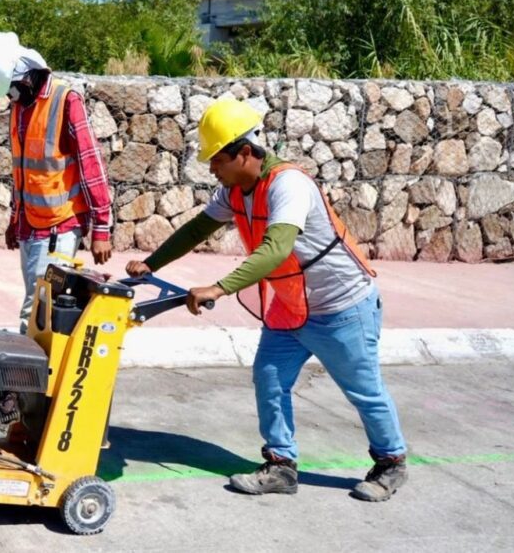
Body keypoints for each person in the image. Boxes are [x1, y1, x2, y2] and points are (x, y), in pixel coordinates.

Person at [125, 98, 408, 502]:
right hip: (292, 305)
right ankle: (281, 466)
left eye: (217, 159)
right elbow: (196, 230)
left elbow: (275, 250)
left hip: (341, 305)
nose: (211, 169)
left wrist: (218, 288)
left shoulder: (289, 185)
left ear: (244, 152)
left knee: (363, 390)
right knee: (270, 379)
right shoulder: (236, 190)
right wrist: (151, 264)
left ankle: (391, 464)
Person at [0, 32, 113, 333]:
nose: (9, 97)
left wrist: (101, 228)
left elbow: (91, 163)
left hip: (58, 225)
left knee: (36, 311)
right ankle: (39, 375)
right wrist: (15, 219)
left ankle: (28, 378)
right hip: (30, 224)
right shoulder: (20, 106)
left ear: (25, 75)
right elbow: (24, 170)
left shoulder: (66, 100)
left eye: (10, 89)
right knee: (40, 310)